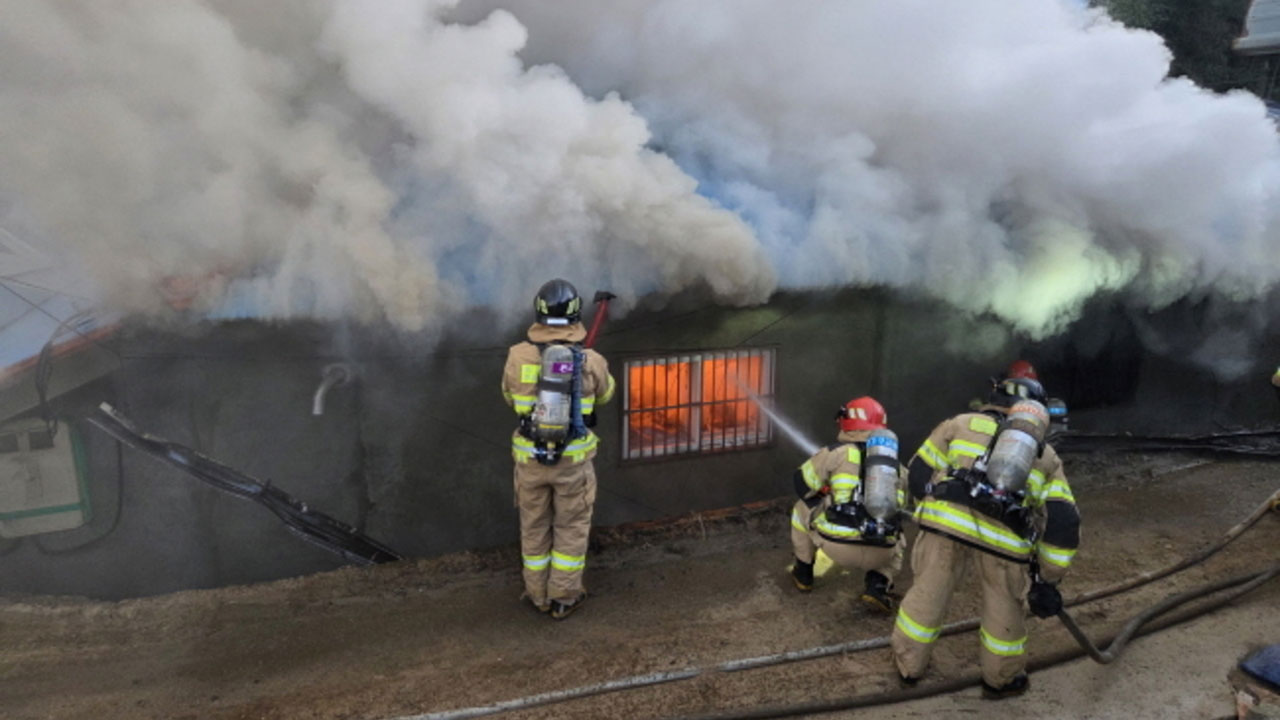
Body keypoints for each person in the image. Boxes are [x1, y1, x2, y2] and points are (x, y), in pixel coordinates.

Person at [891, 377, 1081, 699]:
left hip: (944, 526)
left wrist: (933, 509)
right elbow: (1063, 520)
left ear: (993, 398)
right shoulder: (1045, 455)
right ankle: (1001, 679)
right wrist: (1048, 577)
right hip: (1005, 543)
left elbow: (919, 473)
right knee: (1004, 609)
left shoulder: (959, 424)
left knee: (926, 596)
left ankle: (909, 667)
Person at [501, 279, 615, 620]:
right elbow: (606, 395)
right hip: (573, 463)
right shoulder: (591, 359)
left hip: (530, 461)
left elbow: (509, 397)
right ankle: (564, 597)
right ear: (576, 314)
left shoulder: (517, 356)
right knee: (571, 528)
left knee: (534, 527)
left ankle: (536, 595)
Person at [789, 396, 906, 613]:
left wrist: (826, 492)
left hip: (838, 544)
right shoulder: (894, 465)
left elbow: (802, 483)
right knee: (899, 531)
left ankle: (803, 572)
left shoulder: (836, 453)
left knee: (801, 508)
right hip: (882, 548)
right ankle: (878, 586)